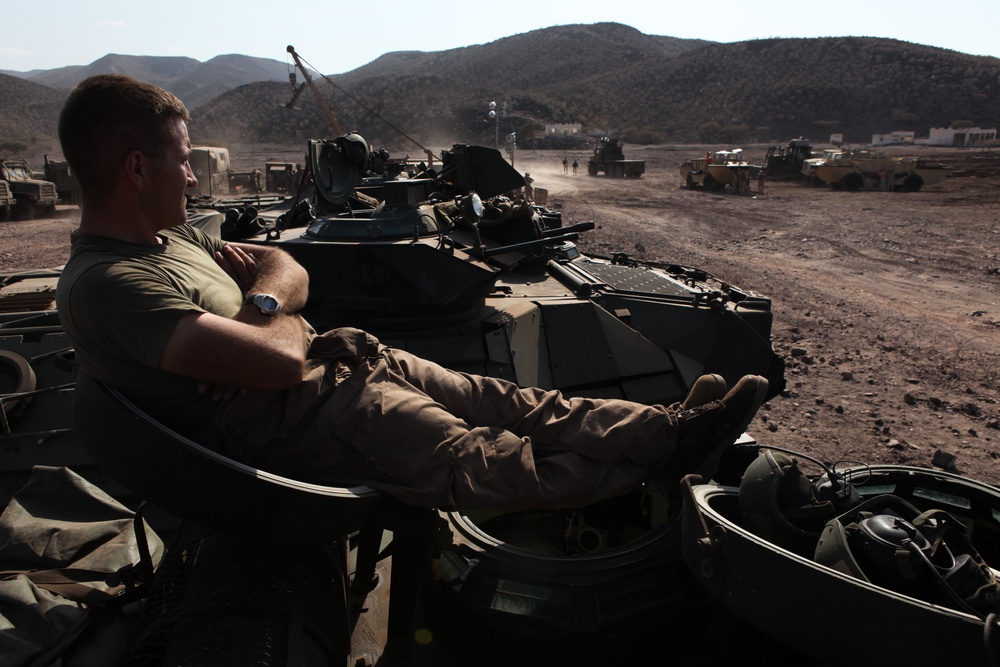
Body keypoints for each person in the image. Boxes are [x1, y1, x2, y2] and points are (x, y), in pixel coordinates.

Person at [55, 74, 768, 512]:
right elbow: (275, 367)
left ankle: (667, 429)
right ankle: (663, 459)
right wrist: (266, 331)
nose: (193, 177)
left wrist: (258, 310)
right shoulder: (107, 286)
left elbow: (285, 267)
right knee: (490, 461)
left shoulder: (173, 238)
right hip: (308, 416)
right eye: (183, 161)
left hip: (340, 361)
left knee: (516, 402)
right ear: (138, 168)